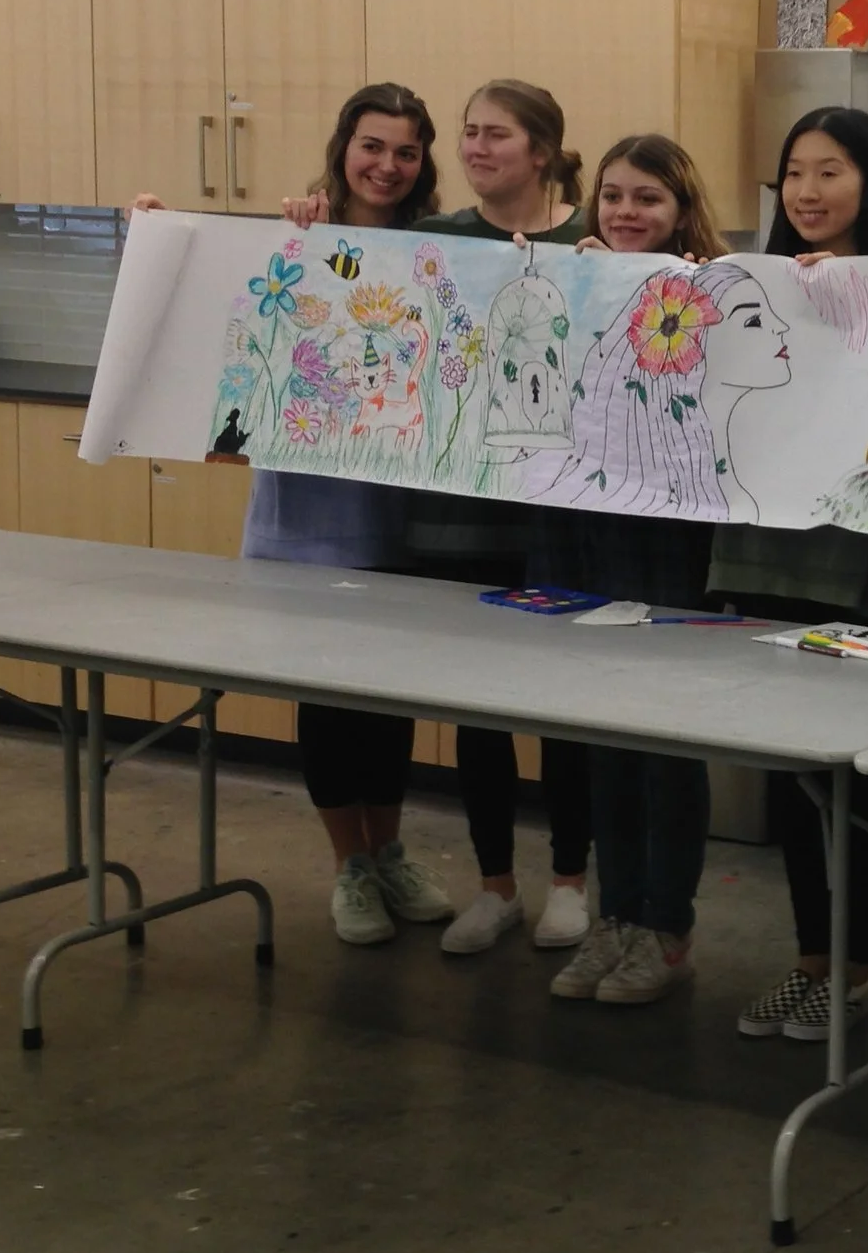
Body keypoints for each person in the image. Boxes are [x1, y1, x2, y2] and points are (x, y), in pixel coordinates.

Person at [134, 84, 457, 946]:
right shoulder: (293, 238)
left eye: (406, 151)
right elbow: (213, 300)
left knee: (389, 705)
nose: (387, 165)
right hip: (306, 525)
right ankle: (350, 866)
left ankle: (389, 853)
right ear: (344, 146)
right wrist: (163, 232)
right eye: (372, 145)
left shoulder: (441, 251)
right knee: (329, 706)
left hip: (403, 522)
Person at [717, 109, 868, 1042]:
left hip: (866, 568)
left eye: (830, 170)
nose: (807, 190)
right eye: (794, 171)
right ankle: (810, 961)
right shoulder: (757, 285)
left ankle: (855, 968)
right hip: (773, 558)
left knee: (861, 778)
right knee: (794, 778)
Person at [408, 79, 595, 956]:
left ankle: (570, 883)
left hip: (563, 518)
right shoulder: (435, 240)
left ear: (542, 151)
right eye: (469, 133)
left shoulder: (592, 241)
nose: (476, 148)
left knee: (565, 712)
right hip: (457, 513)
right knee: (476, 712)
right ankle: (494, 886)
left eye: (497, 135)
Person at [541, 135, 729, 1005]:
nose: (624, 211)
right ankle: (615, 915)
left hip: (673, 541)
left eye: (647, 197)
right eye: (612, 194)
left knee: (666, 741)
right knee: (603, 735)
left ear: (681, 209)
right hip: (589, 531)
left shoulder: (718, 291)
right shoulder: (581, 279)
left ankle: (666, 926)